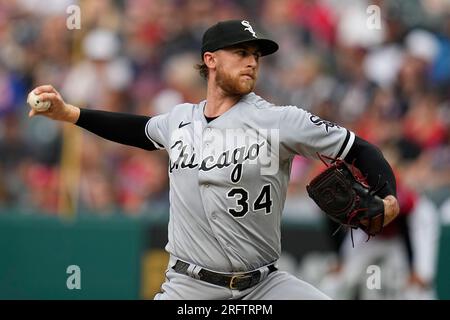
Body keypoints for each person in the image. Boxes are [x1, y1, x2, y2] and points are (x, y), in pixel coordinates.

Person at [28, 20, 399, 300]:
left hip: (264, 288)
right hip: (189, 289)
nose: (252, 62)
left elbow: (361, 149)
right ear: (211, 60)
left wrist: (388, 196)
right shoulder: (179, 120)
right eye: (241, 53)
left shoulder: (281, 120)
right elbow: (137, 131)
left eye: (255, 56)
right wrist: (71, 113)